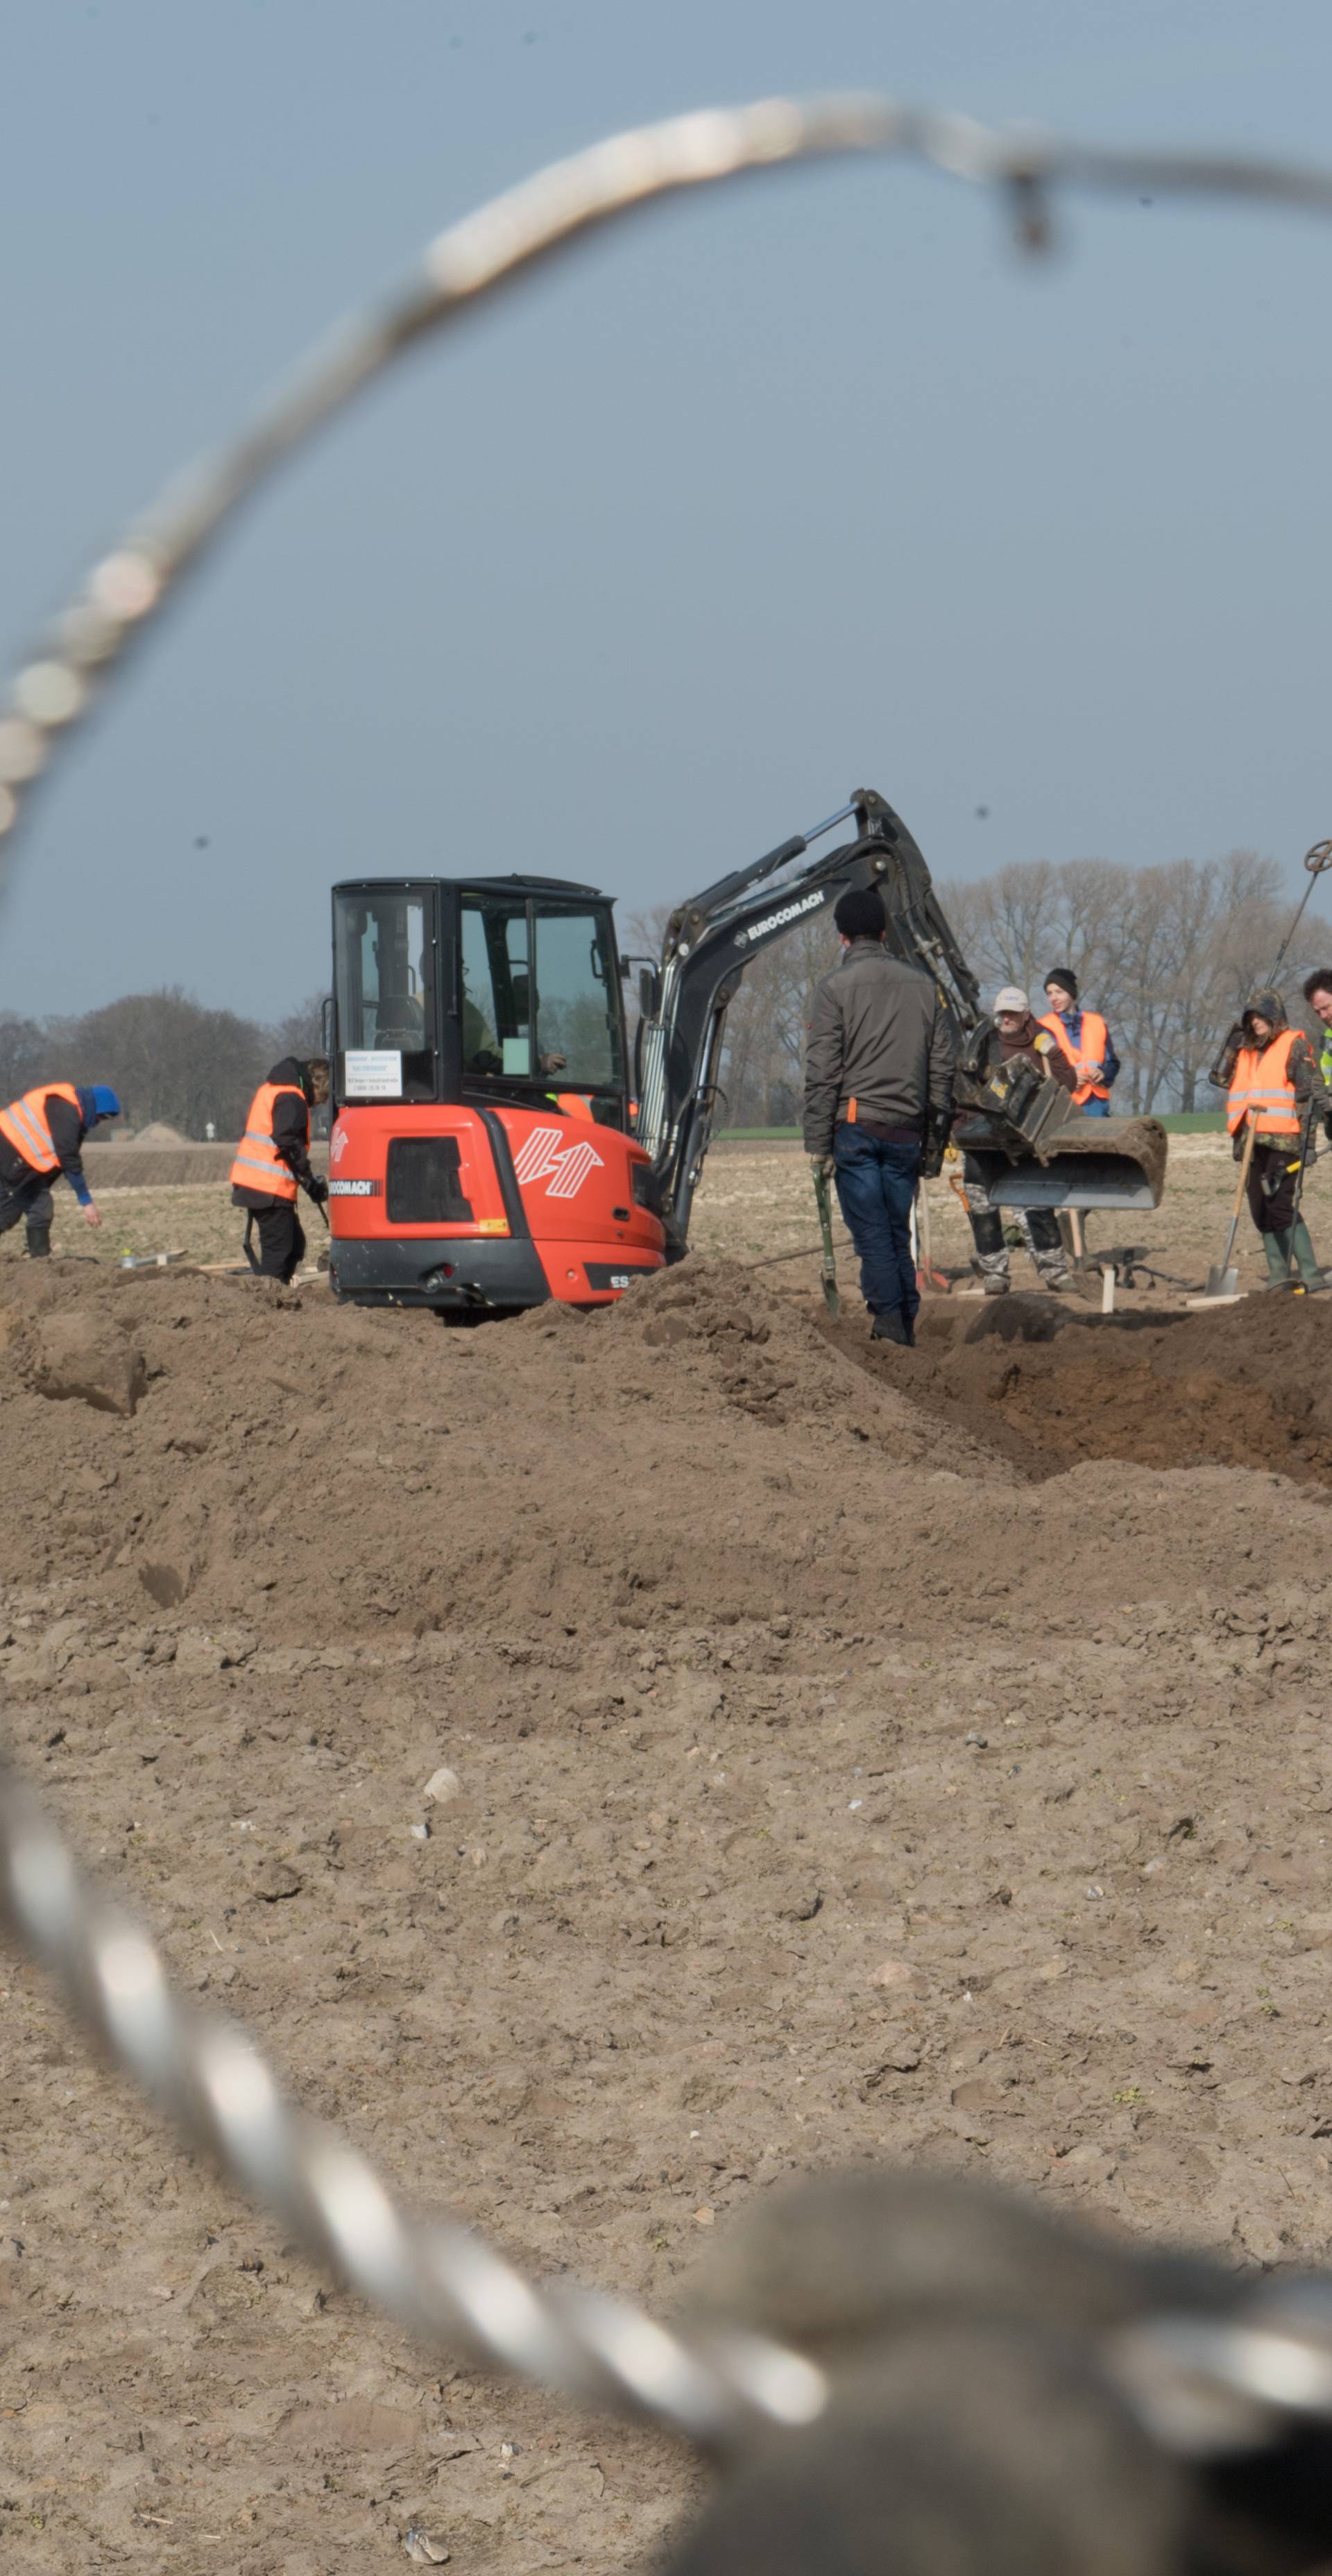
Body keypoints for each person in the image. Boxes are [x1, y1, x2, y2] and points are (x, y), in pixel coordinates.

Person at [803, 884, 955, 1346]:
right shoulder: (927, 989)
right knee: (894, 1231)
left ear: (842, 937)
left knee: (873, 1234)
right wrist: (934, 1143)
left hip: (857, 1128)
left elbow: (823, 1073)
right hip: (907, 1130)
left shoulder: (833, 989)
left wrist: (817, 1144)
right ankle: (903, 1322)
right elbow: (942, 1071)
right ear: (885, 932)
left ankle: (891, 1326)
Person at [964, 989, 1079, 1296]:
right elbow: (966, 1084)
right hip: (986, 1136)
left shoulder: (1042, 1038)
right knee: (981, 1201)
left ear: (1027, 1014)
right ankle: (994, 1273)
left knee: (1038, 1200)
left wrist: (1053, 1053)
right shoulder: (984, 1041)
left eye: (1013, 1014)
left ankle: (1054, 1270)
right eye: (1002, 1013)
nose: (1006, 1019)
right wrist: (959, 1127)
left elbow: (1067, 1084)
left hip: (1027, 1134)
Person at [1212, 990, 1329, 1289]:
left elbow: (1308, 1096)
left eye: (1260, 1016)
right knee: (1259, 1208)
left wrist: (1309, 1143)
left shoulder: (1294, 1044)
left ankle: (1310, 1274)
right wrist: (1231, 1040)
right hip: (1250, 1140)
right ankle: (1278, 1275)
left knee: (1279, 1204)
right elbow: (1221, 1078)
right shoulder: (1245, 1050)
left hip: (1285, 1141)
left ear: (1274, 1017)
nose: (1255, 1023)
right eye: (1250, 1018)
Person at [230, 1056, 330, 1282]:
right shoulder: (291, 1096)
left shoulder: (276, 1089)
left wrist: (307, 1181)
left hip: (259, 1185)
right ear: (316, 1086)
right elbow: (286, 1139)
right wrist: (309, 1181)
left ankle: (277, 1295)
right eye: (324, 1096)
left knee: (294, 1245)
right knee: (280, 1252)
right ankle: (268, 1304)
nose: (322, 1103)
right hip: (268, 1188)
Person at [0, 1081, 121, 1257]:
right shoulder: (65, 1110)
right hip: (9, 1156)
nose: (99, 1123)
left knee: (10, 1211)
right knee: (38, 1208)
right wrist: (86, 1202)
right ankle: (39, 1266)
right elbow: (68, 1160)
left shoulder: (71, 1112)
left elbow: (57, 1163)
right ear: (95, 1108)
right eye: (102, 1117)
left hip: (16, 1163)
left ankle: (37, 1262)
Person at [1039, 969, 1120, 1115]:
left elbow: (1113, 1063)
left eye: (1059, 992)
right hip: (1063, 1107)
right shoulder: (1043, 1028)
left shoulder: (1098, 1023)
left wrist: (1103, 1073)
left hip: (1098, 1106)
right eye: (1049, 993)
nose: (1053, 998)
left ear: (1071, 993)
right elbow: (1042, 1073)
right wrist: (1069, 1079)